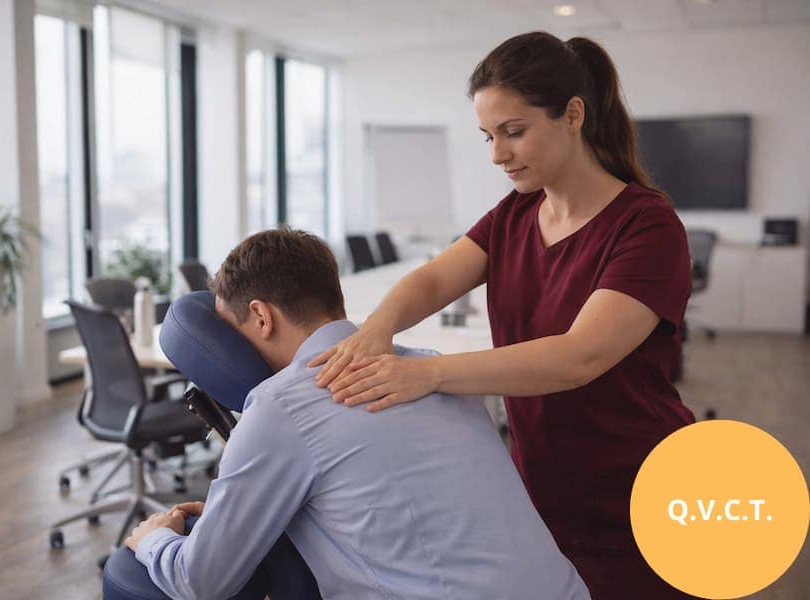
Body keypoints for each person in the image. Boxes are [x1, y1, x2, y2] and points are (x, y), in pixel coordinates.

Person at [309, 32, 696, 599]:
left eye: (514, 132)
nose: (497, 154)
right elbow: (435, 278)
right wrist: (376, 330)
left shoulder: (647, 226)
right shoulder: (516, 214)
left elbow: (578, 356)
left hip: (638, 486)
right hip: (543, 485)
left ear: (572, 115)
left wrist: (429, 372)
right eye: (489, 136)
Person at [120, 229, 590, 599]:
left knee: (130, 576)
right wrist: (240, 513)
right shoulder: (431, 367)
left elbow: (199, 582)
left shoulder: (282, 406)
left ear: (261, 318)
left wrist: (152, 539)